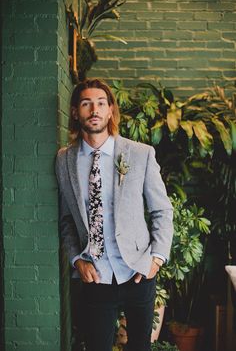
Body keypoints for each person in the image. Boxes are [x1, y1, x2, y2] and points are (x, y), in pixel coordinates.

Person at [55, 78, 174, 351]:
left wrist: (155, 259)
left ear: (110, 110)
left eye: (100, 103)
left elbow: (161, 210)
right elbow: (66, 220)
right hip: (95, 275)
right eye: (86, 104)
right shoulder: (64, 160)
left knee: (140, 347)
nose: (94, 110)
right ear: (76, 112)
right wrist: (76, 260)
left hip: (138, 272)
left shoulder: (140, 154)